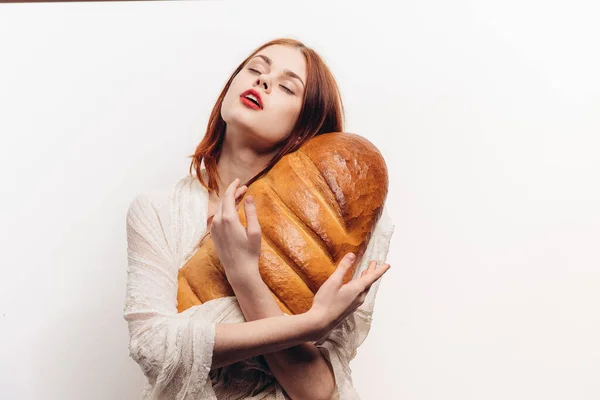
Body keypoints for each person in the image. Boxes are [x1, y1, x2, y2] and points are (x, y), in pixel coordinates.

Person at [124, 38, 396, 400]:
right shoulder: (157, 210)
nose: (263, 81)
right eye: (255, 69)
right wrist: (307, 325)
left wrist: (244, 276)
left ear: (304, 127)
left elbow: (315, 392)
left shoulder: (340, 221)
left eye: (287, 86)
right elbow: (152, 348)